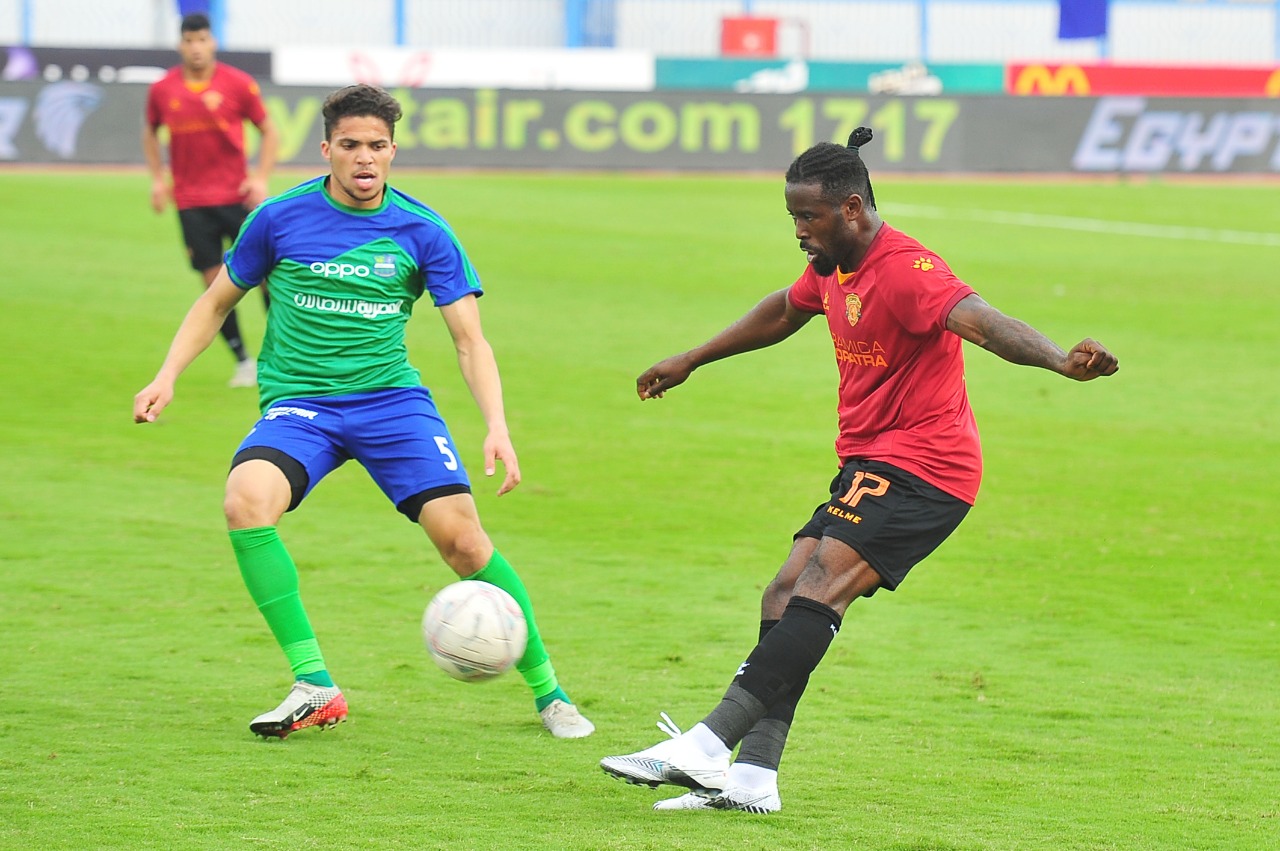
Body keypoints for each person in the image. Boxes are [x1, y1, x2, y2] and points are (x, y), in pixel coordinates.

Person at [601, 128, 1117, 811]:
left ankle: (706, 743)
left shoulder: (907, 270)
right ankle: (753, 779)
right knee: (784, 592)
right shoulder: (832, 266)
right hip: (873, 461)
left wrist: (1058, 361)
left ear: (851, 209)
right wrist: (693, 358)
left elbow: (984, 323)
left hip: (928, 468)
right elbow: (785, 309)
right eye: (793, 217)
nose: (798, 231)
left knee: (820, 585)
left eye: (808, 217)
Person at [133, 84, 595, 740]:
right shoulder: (278, 218)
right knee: (245, 501)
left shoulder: (424, 230)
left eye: (377, 145)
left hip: (391, 405)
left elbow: (470, 340)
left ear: (393, 152)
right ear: (327, 149)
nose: (364, 157)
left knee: (464, 543)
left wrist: (497, 425)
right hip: (302, 407)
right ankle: (314, 684)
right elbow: (215, 302)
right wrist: (167, 374)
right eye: (350, 145)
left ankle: (551, 693)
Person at [143, 12, 278, 388]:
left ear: (212, 42)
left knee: (266, 277)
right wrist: (158, 179)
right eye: (189, 41)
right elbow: (150, 132)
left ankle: (281, 354)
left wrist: (260, 177)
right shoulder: (163, 89)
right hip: (191, 202)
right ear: (180, 45)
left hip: (237, 197)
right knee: (214, 285)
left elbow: (268, 130)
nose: (196, 48)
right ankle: (243, 361)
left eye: (202, 40)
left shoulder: (238, 84)